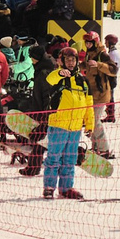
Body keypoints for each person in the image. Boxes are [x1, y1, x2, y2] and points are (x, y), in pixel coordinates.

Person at [40, 50, 96, 200]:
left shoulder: (83, 81)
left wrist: (89, 125)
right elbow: (50, 79)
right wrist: (59, 73)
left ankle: (66, 188)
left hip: (76, 127)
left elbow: (89, 105)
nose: (71, 62)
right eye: (67, 60)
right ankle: (49, 187)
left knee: (70, 160)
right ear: (62, 61)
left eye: (73, 60)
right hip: (59, 124)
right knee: (54, 157)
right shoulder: (58, 76)